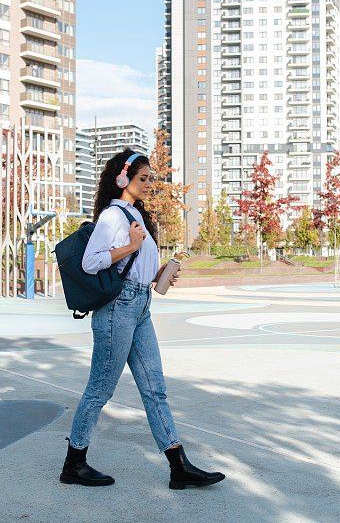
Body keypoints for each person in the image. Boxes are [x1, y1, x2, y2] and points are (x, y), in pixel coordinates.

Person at [61, 148, 225, 490]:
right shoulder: (112, 217)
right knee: (101, 388)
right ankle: (74, 464)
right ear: (124, 178)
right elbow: (92, 262)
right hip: (117, 309)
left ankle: (178, 467)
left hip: (140, 305)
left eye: (151, 178)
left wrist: (159, 272)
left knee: (155, 388)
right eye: (142, 178)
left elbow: (135, 269)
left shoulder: (136, 216)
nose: (148, 184)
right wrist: (132, 246)